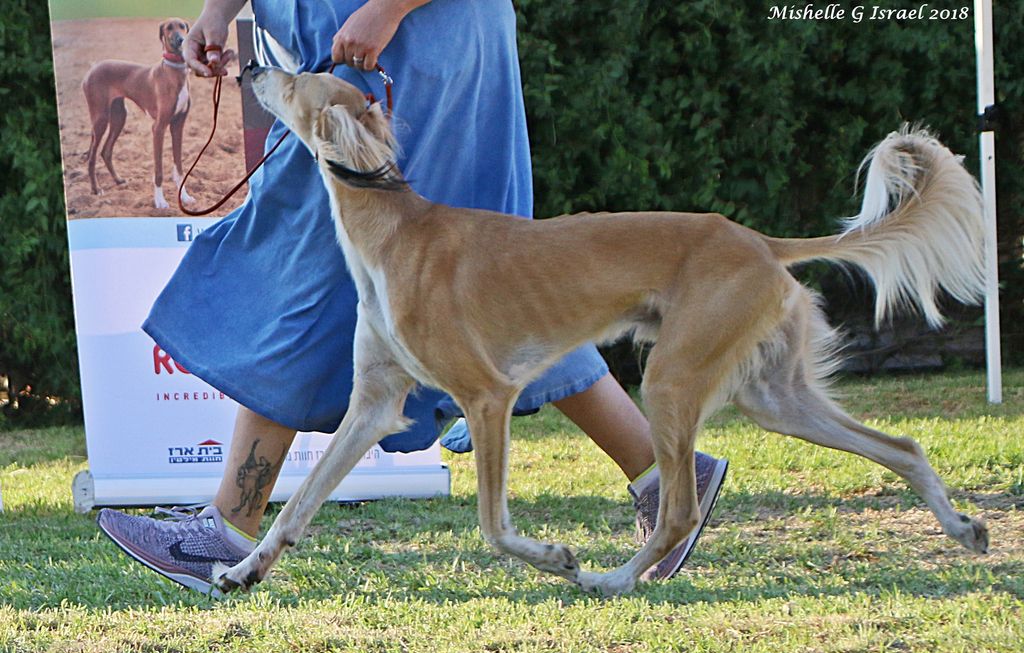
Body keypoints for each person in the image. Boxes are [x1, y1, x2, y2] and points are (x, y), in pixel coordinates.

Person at [97, 0, 728, 595]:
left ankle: (227, 527)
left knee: (319, 265)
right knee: (440, 294)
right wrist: (218, 10)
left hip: (416, 49)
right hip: (344, 49)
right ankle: (662, 472)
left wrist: (388, 7)